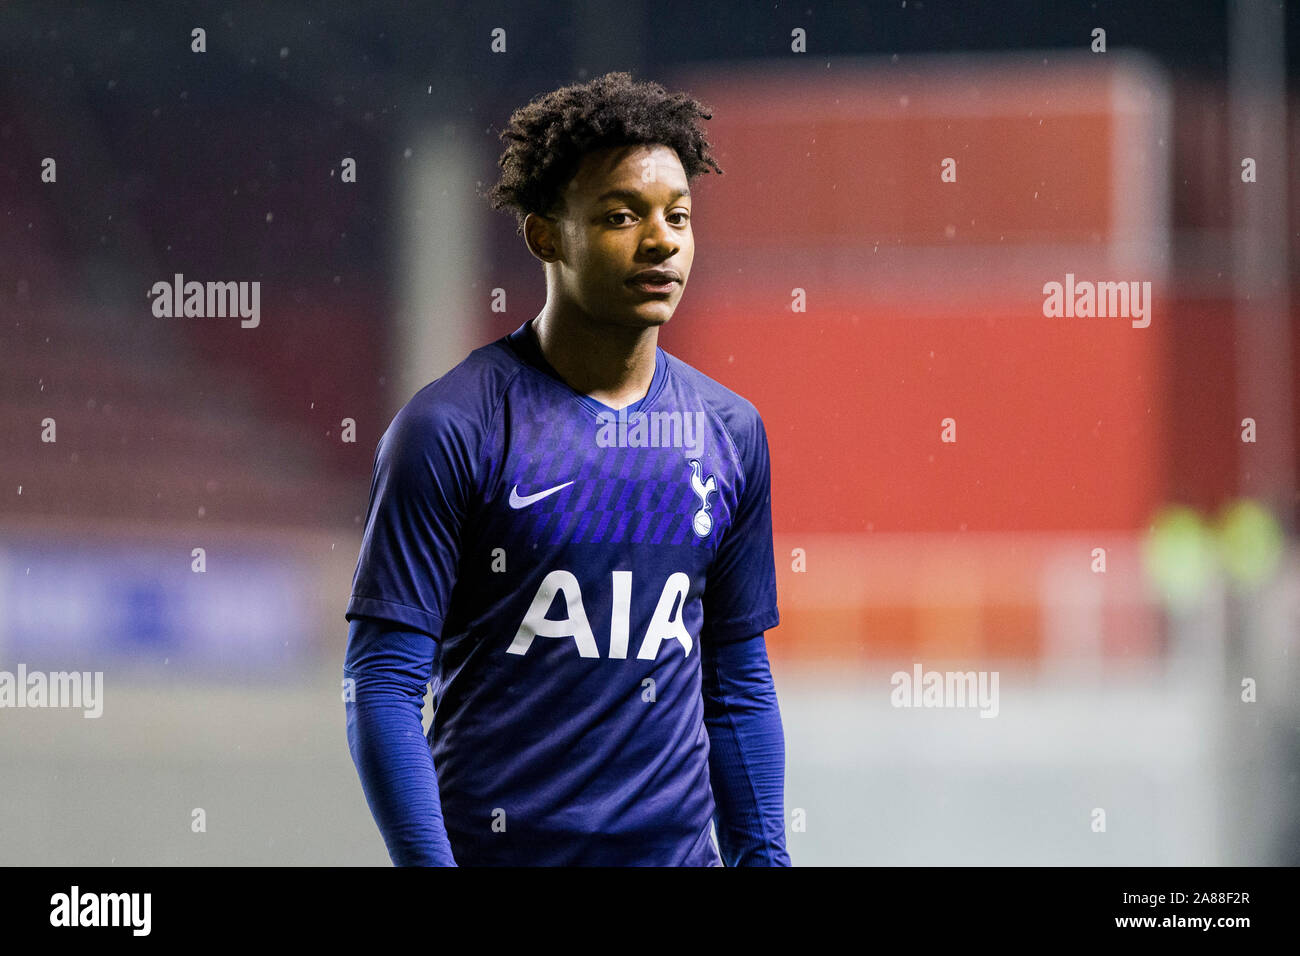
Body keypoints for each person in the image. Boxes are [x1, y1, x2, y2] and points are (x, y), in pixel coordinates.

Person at [344, 71, 789, 866]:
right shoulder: (451, 429)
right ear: (546, 235)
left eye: (678, 217)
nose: (661, 242)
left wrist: (766, 860)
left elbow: (736, 686)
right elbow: (381, 684)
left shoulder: (730, 432)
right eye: (622, 216)